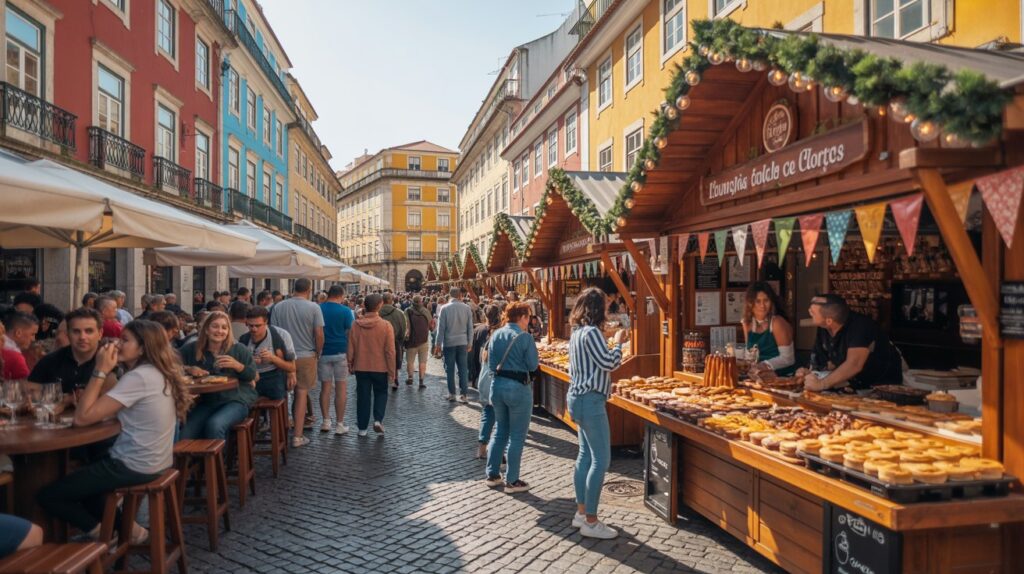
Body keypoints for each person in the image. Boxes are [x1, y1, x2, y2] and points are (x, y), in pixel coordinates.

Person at [37, 320, 192, 543]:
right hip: (155, 461)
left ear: (143, 347)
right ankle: (130, 531)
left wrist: (100, 370)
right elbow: (108, 412)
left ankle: (102, 534)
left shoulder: (138, 377)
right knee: (88, 484)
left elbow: (82, 419)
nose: (117, 344)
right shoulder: (154, 372)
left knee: (48, 495)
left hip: (133, 464)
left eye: (125, 340)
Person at [566, 288, 628, 539]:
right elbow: (609, 363)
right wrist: (619, 344)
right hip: (590, 401)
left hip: (578, 399)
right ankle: (591, 520)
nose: (606, 310)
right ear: (595, 308)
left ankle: (581, 513)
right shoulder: (591, 333)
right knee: (601, 460)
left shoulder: (576, 333)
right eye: (603, 306)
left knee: (584, 456)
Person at [484, 302, 539, 494]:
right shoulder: (524, 337)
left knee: (500, 430)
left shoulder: (496, 334)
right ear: (522, 317)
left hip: (497, 386)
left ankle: (492, 474)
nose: (529, 321)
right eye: (528, 317)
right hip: (518, 388)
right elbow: (533, 365)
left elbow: (491, 364)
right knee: (516, 436)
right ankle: (512, 480)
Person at [180, 312, 258, 440]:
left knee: (214, 425)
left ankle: (219, 460)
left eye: (224, 327)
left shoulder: (238, 349)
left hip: (237, 400)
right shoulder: (192, 349)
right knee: (185, 434)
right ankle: (199, 459)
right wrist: (188, 368)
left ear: (228, 331)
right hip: (207, 401)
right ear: (206, 329)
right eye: (215, 326)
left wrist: (238, 366)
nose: (219, 331)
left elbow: (252, 376)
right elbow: (169, 365)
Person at [800, 294, 902, 391]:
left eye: (813, 312)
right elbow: (819, 360)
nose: (809, 312)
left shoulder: (861, 326)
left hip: (882, 386)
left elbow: (854, 364)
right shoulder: (824, 327)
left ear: (829, 321)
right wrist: (808, 371)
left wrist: (822, 384)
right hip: (854, 383)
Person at [270, 278, 324, 448]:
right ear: (309, 289)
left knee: (283, 393)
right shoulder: (314, 307)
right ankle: (298, 436)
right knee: (301, 393)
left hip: (283, 356)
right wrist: (317, 351)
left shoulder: (278, 307)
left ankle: (282, 431)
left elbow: (273, 333)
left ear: (294, 289)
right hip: (306, 355)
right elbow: (319, 333)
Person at [347, 294, 395, 437]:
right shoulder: (386, 326)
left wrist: (350, 362)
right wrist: (392, 371)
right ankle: (378, 420)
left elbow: (351, 345)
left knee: (362, 396)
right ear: (379, 306)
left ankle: (362, 428)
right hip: (380, 367)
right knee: (381, 393)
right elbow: (390, 351)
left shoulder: (356, 324)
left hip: (361, 366)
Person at [239, 306, 296, 401]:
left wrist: (273, 358)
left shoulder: (280, 335)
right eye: (250, 325)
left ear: (266, 322)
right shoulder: (244, 339)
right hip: (252, 378)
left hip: (273, 377)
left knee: (278, 400)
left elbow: (292, 367)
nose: (254, 329)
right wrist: (250, 362)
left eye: (258, 325)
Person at [319, 286, 355, 434]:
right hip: (340, 352)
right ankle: (340, 424)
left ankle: (326, 421)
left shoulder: (319, 308)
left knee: (325, 388)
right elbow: (350, 332)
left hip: (323, 352)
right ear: (341, 295)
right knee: (341, 389)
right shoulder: (346, 311)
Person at [741, 282, 796, 377]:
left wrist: (763, 365)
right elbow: (749, 355)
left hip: (782, 376)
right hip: (759, 376)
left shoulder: (777, 322)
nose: (762, 306)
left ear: (771, 302)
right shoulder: (747, 323)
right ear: (750, 303)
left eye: (766, 300)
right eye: (758, 301)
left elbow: (788, 359)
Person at [434, 287, 474, 403]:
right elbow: (470, 328)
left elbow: (441, 329)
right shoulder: (466, 308)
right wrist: (470, 342)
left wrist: (437, 344)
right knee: (463, 368)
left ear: (450, 295)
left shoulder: (444, 308)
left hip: (449, 343)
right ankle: (464, 395)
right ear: (460, 295)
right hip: (462, 342)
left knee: (450, 369)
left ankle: (452, 393)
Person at [473, 305, 501, 459]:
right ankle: (498, 450)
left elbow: (479, 360)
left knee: (487, 414)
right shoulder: (500, 336)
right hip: (496, 383)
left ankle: (482, 448)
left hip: (484, 381)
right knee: (502, 418)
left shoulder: (483, 332)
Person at [378, 293, 407, 392]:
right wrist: (401, 340)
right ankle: (395, 379)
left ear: (382, 301)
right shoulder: (399, 313)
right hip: (395, 340)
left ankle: (382, 379)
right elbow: (403, 328)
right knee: (394, 360)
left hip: (379, 341)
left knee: (381, 360)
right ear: (391, 301)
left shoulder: (377, 312)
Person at [404, 295, 432, 388]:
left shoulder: (408, 310)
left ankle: (410, 378)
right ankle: (421, 381)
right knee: (422, 362)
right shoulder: (426, 311)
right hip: (424, 340)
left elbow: (406, 325)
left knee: (410, 361)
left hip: (411, 340)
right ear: (421, 301)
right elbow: (431, 325)